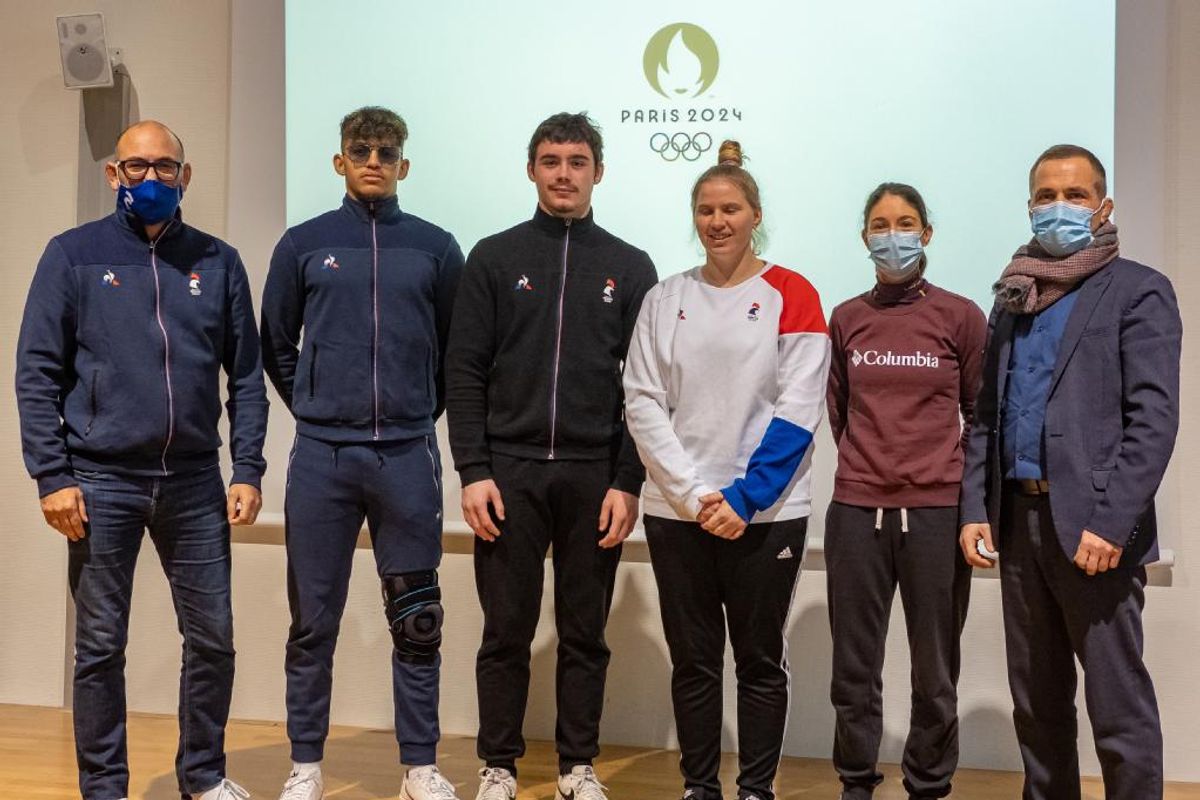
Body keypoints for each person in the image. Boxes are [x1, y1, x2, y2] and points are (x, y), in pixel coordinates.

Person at [15, 120, 267, 800]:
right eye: (136, 167)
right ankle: (104, 788)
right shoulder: (72, 255)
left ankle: (203, 778)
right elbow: (36, 372)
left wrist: (248, 468)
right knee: (100, 648)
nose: (150, 178)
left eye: (164, 167)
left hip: (194, 481)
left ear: (185, 175)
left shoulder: (219, 261)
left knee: (212, 641)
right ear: (113, 174)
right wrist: (52, 475)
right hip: (100, 481)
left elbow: (246, 376)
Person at [445, 112, 658, 800]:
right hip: (508, 473)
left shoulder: (630, 266)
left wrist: (628, 481)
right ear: (531, 170)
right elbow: (465, 371)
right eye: (551, 161)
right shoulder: (494, 257)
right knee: (506, 631)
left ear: (599, 171)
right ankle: (498, 766)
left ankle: (577, 766)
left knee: (584, 633)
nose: (564, 174)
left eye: (577, 161)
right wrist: (473, 471)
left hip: (594, 477)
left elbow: (645, 388)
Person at [959, 144, 1181, 800]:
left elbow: (1153, 421)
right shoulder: (1012, 295)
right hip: (1019, 524)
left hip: (1095, 534)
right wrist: (975, 507)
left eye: (1075, 195)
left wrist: (1112, 522)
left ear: (1103, 207)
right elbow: (986, 415)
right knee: (1038, 704)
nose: (1060, 207)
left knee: (1117, 708)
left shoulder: (1139, 289)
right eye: (1046, 196)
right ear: (1030, 207)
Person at [260, 106, 464, 800]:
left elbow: (455, 351)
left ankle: (419, 767)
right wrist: (319, 405)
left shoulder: (437, 249)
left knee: (418, 620)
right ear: (339, 161)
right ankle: (306, 765)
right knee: (313, 620)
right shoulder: (303, 244)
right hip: (323, 457)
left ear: (404, 164)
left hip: (406, 456)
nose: (373, 160)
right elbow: (276, 343)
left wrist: (414, 409)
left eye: (385, 151)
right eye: (360, 149)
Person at [623, 140, 830, 800]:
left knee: (760, 661)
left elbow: (800, 409)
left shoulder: (793, 294)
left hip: (767, 516)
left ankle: (756, 790)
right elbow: (642, 400)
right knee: (694, 662)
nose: (717, 221)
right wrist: (692, 495)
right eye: (706, 210)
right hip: (677, 514)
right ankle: (700, 787)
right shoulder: (665, 298)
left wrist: (745, 498)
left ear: (755, 215)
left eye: (730, 209)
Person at [824, 183, 986, 799]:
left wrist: (966, 502)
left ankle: (928, 784)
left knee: (935, 669)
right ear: (864, 237)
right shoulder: (847, 318)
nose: (893, 235)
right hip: (856, 509)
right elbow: (839, 411)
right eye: (880, 224)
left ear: (927, 233)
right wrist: (873, 467)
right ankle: (856, 783)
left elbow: (980, 415)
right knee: (854, 668)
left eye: (906, 222)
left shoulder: (960, 316)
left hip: (937, 512)